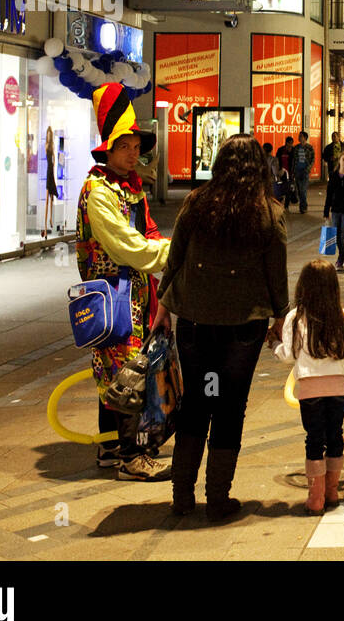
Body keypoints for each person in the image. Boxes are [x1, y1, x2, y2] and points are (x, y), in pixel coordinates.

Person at [155, 134, 287, 519]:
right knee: (229, 407)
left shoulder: (196, 203)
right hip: (242, 325)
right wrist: (281, 316)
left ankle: (181, 497)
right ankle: (217, 498)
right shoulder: (267, 211)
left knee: (196, 402)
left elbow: (174, 257)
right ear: (258, 169)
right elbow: (275, 273)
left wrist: (164, 305)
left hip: (194, 321)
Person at [75, 84, 171, 480]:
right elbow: (128, 247)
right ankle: (131, 458)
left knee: (114, 372)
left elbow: (146, 234)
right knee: (126, 372)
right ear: (109, 149)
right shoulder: (98, 192)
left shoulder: (128, 188)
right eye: (127, 145)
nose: (135, 152)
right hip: (112, 298)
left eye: (136, 145)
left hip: (132, 294)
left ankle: (110, 448)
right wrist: (176, 254)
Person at [272, 260, 344, 514]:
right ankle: (332, 491)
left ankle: (316, 498)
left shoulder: (295, 316)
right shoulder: (341, 315)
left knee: (314, 440)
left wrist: (274, 348)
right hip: (337, 388)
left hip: (309, 390)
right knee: (335, 436)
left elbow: (289, 355)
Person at [323, 151, 344, 269]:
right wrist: (326, 211)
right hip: (336, 209)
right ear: (339, 160)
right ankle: (343, 254)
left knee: (343, 235)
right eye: (343, 159)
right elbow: (329, 194)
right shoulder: (333, 175)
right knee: (336, 235)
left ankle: (340, 259)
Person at [289, 131, 315, 213]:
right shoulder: (296, 148)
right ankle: (302, 205)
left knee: (303, 189)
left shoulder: (309, 148)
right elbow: (293, 160)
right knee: (299, 190)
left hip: (305, 171)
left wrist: (308, 169)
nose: (299, 137)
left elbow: (312, 159)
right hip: (297, 170)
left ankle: (303, 206)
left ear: (305, 138)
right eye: (299, 136)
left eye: (301, 136)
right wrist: (292, 171)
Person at [275, 136, 296, 207]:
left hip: (290, 172)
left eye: (292, 143)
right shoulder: (281, 150)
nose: (291, 145)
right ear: (286, 143)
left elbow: (294, 161)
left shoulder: (294, 150)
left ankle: (286, 204)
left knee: (288, 188)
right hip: (282, 172)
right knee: (281, 187)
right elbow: (277, 160)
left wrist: (293, 172)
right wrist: (278, 170)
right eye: (289, 143)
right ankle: (281, 201)